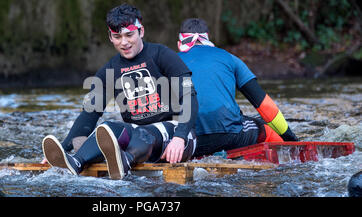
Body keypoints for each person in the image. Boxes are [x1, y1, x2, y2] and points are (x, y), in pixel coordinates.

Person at [41, 4, 198, 180]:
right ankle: (75, 163)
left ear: (141, 31)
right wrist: (62, 149)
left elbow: (189, 96)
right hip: (137, 134)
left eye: (129, 35)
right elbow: (89, 114)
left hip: (177, 134)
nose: (124, 42)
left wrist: (181, 136)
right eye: (117, 36)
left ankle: (124, 161)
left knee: (143, 134)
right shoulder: (108, 70)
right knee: (106, 128)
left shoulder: (162, 54)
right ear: (110, 37)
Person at [176, 18, 298, 157]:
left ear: (180, 43)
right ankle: (290, 158)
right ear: (208, 38)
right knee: (266, 129)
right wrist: (291, 138)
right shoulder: (229, 58)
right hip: (229, 135)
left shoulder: (169, 61)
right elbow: (264, 105)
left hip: (186, 141)